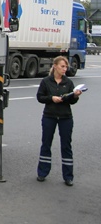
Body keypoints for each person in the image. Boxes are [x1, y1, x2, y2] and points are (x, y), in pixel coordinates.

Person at [36, 55, 82, 186]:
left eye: (66, 67)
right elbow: (40, 97)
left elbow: (72, 101)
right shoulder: (46, 81)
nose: (65, 69)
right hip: (49, 116)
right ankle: (42, 172)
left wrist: (75, 96)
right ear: (55, 66)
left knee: (66, 146)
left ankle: (68, 176)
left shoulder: (68, 82)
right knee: (46, 144)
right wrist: (51, 98)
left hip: (65, 117)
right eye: (62, 66)